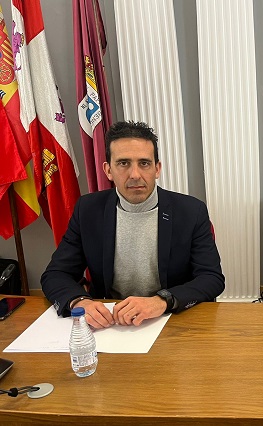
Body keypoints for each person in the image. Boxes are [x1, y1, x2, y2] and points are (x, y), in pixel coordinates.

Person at [42, 121, 225, 328]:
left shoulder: (191, 211)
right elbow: (56, 274)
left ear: (157, 168)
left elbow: (211, 278)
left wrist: (162, 301)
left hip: (169, 319)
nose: (135, 175)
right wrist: (79, 301)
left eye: (144, 163)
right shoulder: (88, 210)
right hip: (110, 322)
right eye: (123, 163)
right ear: (108, 170)